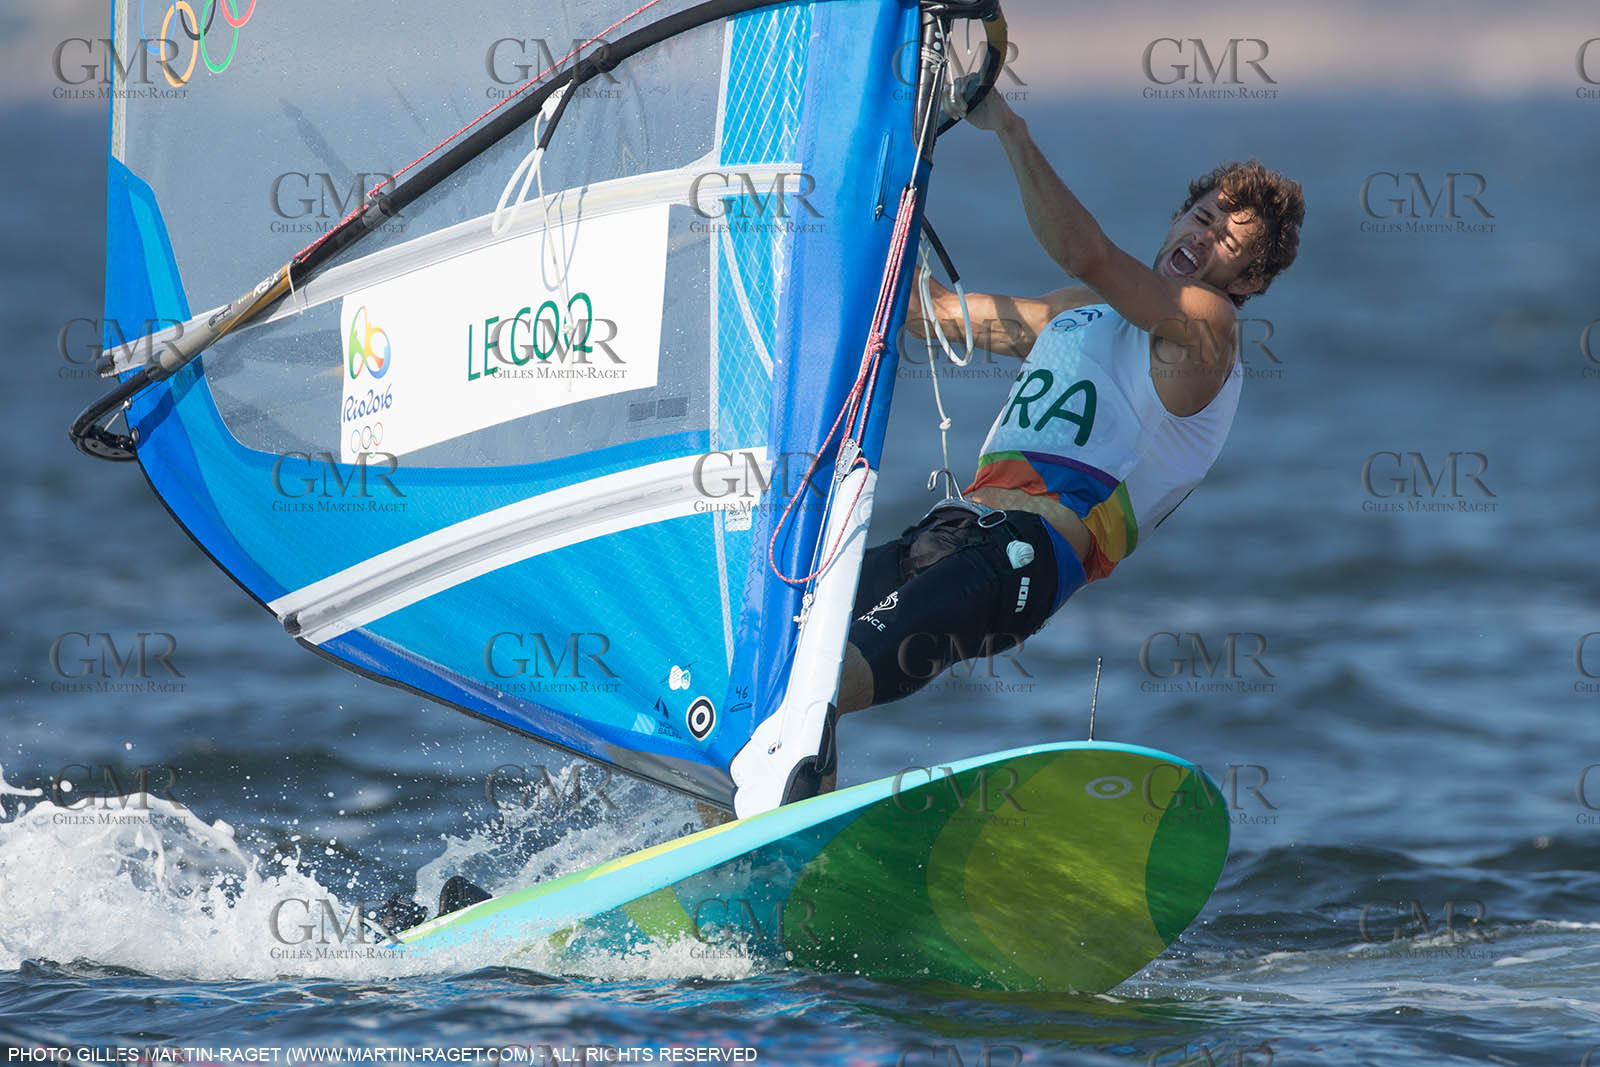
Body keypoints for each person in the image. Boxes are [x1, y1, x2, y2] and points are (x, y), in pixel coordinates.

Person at [833, 89, 1305, 723]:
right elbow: (931, 315)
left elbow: (1089, 252)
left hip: (1026, 559)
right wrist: (867, 195)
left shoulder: (1208, 330)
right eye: (1199, 216)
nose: (1203, 234)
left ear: (1247, 280)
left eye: (1227, 241)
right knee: (791, 649)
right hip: (950, 529)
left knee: (830, 680)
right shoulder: (1078, 310)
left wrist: (1010, 129)